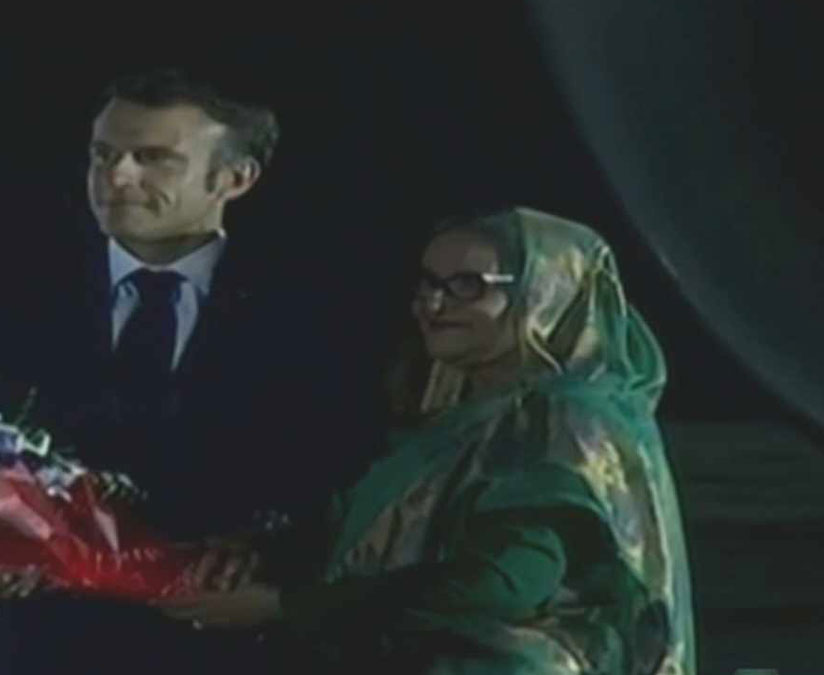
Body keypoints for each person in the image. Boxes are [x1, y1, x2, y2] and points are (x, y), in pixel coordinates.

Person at [0, 68, 380, 675]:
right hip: (24, 651)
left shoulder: (313, 320)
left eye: (153, 158)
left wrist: (271, 560)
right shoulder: (1, 301)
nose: (117, 177)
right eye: (103, 154)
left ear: (236, 178)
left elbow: (343, 485)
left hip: (223, 653)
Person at [162, 207, 695, 674]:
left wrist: (284, 606)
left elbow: (499, 586)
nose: (433, 304)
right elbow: (382, 535)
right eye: (428, 282)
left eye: (468, 285)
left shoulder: (562, 421)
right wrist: (262, 554)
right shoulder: (460, 414)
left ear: (546, 294)